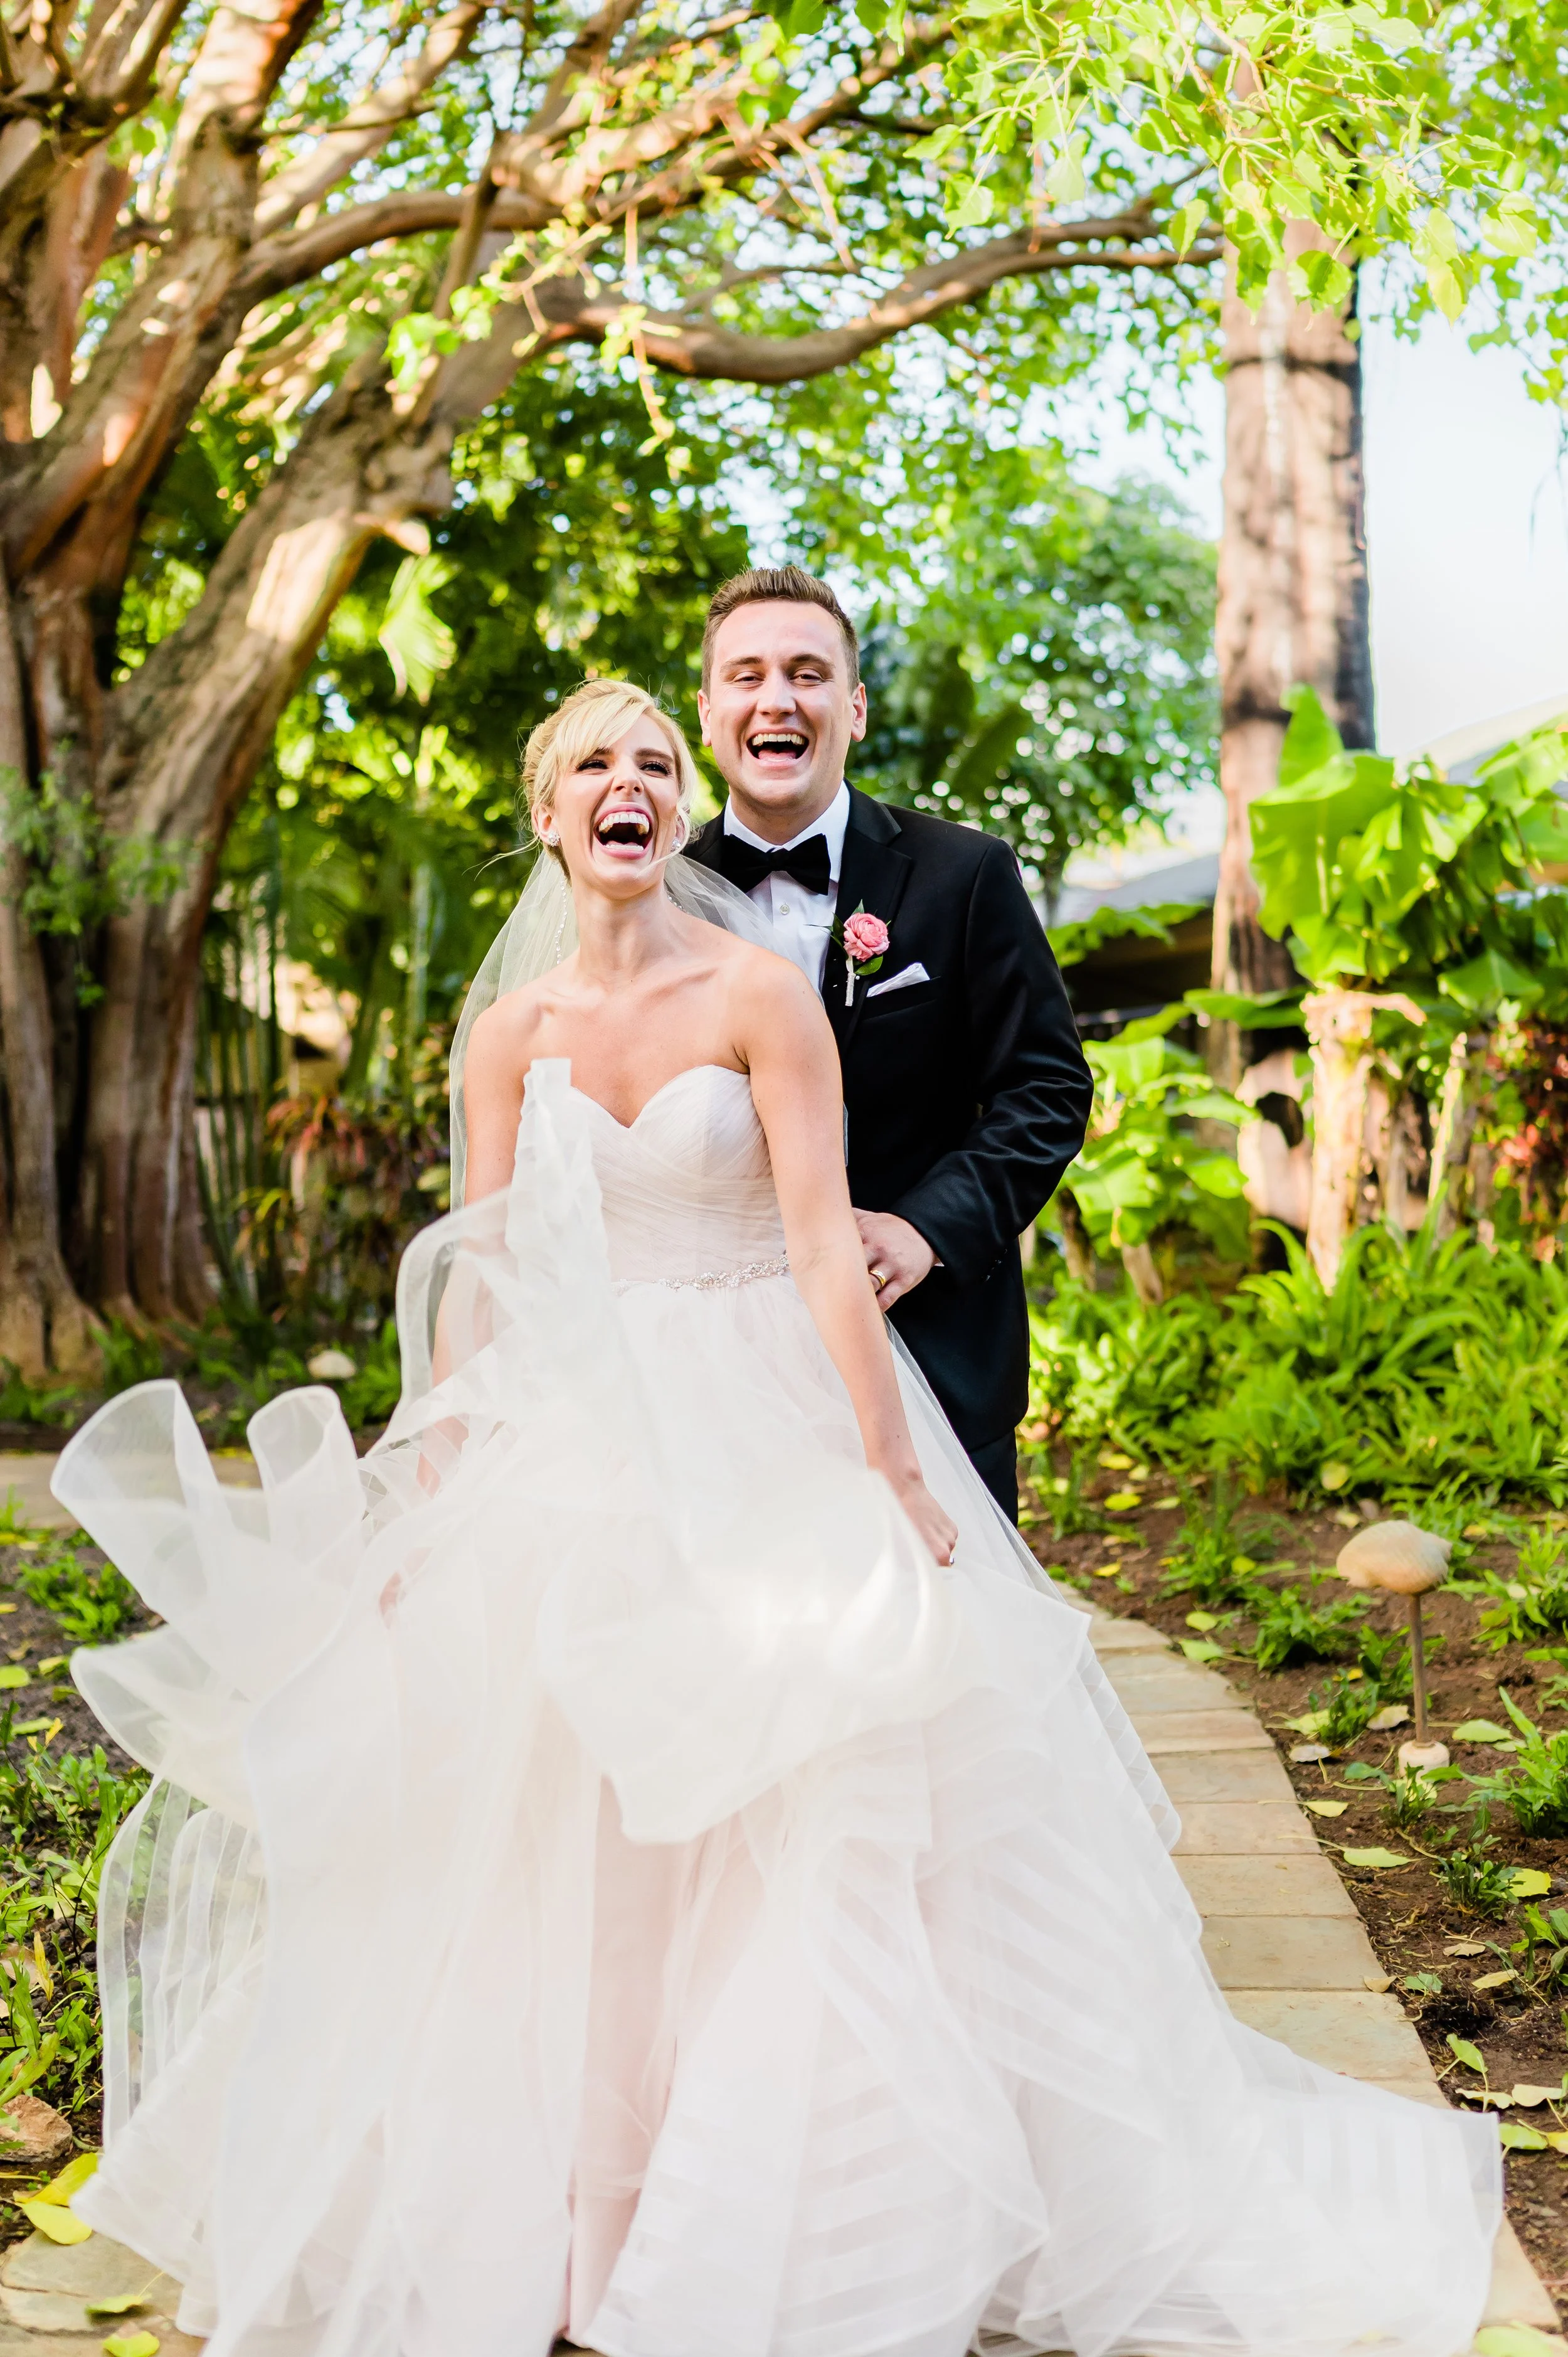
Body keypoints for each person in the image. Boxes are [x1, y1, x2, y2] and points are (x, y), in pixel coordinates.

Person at [57, 679, 1498, 2357]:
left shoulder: (758, 995)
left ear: (677, 814)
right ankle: (579, 2225)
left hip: (763, 1409)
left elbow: (823, 1244)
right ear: (547, 815)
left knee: (798, 1807)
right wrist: (432, 1469)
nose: (630, 782)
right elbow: (480, 1264)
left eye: (653, 763)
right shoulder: (504, 1032)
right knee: (571, 1817)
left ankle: (758, 2222)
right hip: (573, 1429)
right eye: (594, 762)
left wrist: (887, 1465)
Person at [686, 567, 1093, 1521]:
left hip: (932, 1348)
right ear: (707, 714)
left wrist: (925, 1230)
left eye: (807, 673)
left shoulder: (966, 875)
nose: (777, 698)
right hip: (716, 1374)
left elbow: (1047, 1090)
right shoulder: (655, 898)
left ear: (855, 708)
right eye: (745, 676)